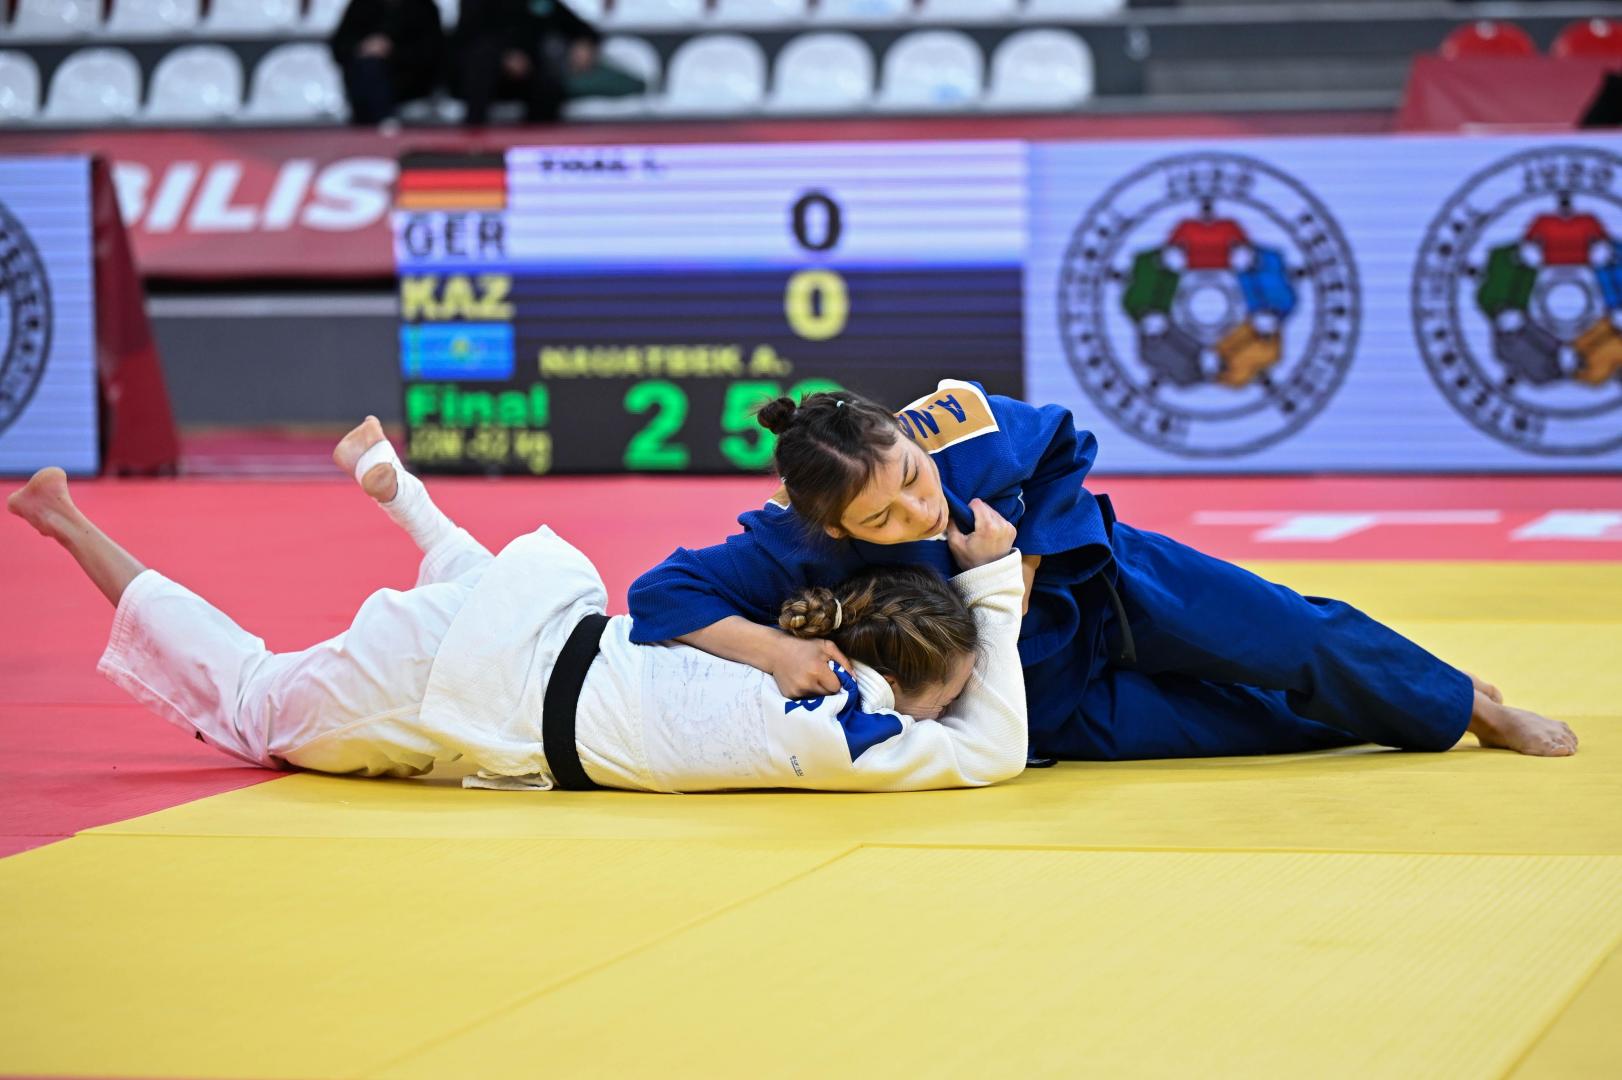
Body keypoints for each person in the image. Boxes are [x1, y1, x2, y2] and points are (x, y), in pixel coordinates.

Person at [5, 419, 1027, 794]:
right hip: (471, 690)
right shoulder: (853, 738)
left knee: (472, 588)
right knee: (248, 704)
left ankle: (401, 494)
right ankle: (68, 521)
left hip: (546, 609)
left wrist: (983, 585)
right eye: (941, 705)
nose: (945, 719)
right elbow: (995, 751)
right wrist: (992, 597)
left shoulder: (812, 635)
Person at [627, 380, 1579, 761]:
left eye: (913, 481)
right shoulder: (789, 541)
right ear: (830, 524)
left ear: (908, 438)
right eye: (878, 520)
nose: (917, 512)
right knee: (1249, 728)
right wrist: (773, 651)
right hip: (1034, 691)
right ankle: (1414, 697)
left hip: (1110, 583)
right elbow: (660, 593)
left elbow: (1062, 446)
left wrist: (1024, 563)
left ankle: (1467, 705)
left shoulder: (958, 423)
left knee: (1288, 633)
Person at [451, 0, 600, 125]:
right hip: (478, 76)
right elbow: (467, 35)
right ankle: (473, 139)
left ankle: (535, 142)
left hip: (524, 73)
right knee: (482, 61)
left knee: (550, 87)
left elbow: (575, 25)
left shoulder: (539, 3)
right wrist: (504, 56)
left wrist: (584, 41)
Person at [329, 0, 446, 126]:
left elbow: (432, 54)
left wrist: (390, 50)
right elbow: (340, 47)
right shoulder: (361, 5)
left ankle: (383, 121)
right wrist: (363, 47)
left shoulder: (423, 8)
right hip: (362, 84)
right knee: (369, 68)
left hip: (410, 86)